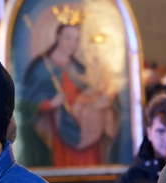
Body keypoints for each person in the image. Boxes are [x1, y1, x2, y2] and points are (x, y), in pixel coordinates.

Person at [19, 10, 118, 167]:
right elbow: (26, 105)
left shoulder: (79, 69)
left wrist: (96, 101)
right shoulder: (41, 69)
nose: (72, 44)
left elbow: (87, 94)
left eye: (76, 40)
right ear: (57, 37)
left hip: (86, 131)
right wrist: (51, 104)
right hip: (58, 134)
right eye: (68, 38)